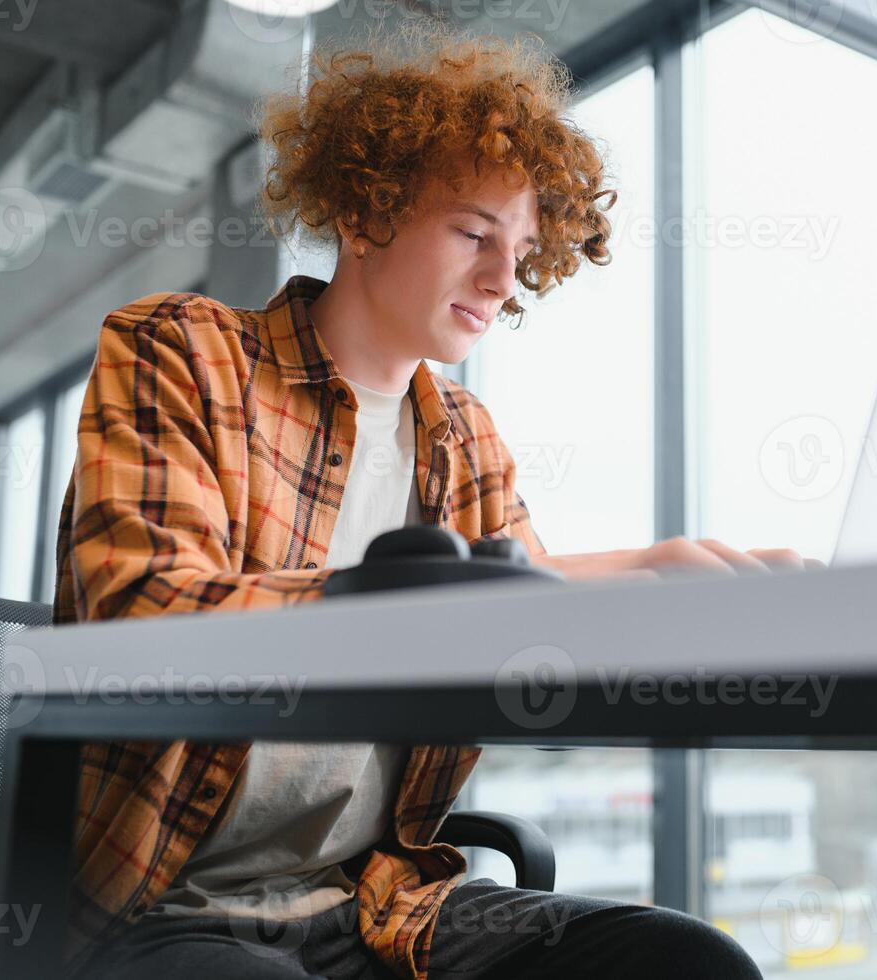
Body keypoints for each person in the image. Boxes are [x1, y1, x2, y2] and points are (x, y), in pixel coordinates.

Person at [54, 20, 815, 980]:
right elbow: (138, 614)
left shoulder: (465, 434)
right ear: (365, 211)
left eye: (523, 248)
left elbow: (512, 608)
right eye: (472, 233)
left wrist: (653, 570)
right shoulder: (181, 350)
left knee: (687, 962)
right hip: (166, 904)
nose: (503, 281)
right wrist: (367, 605)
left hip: (378, 899)